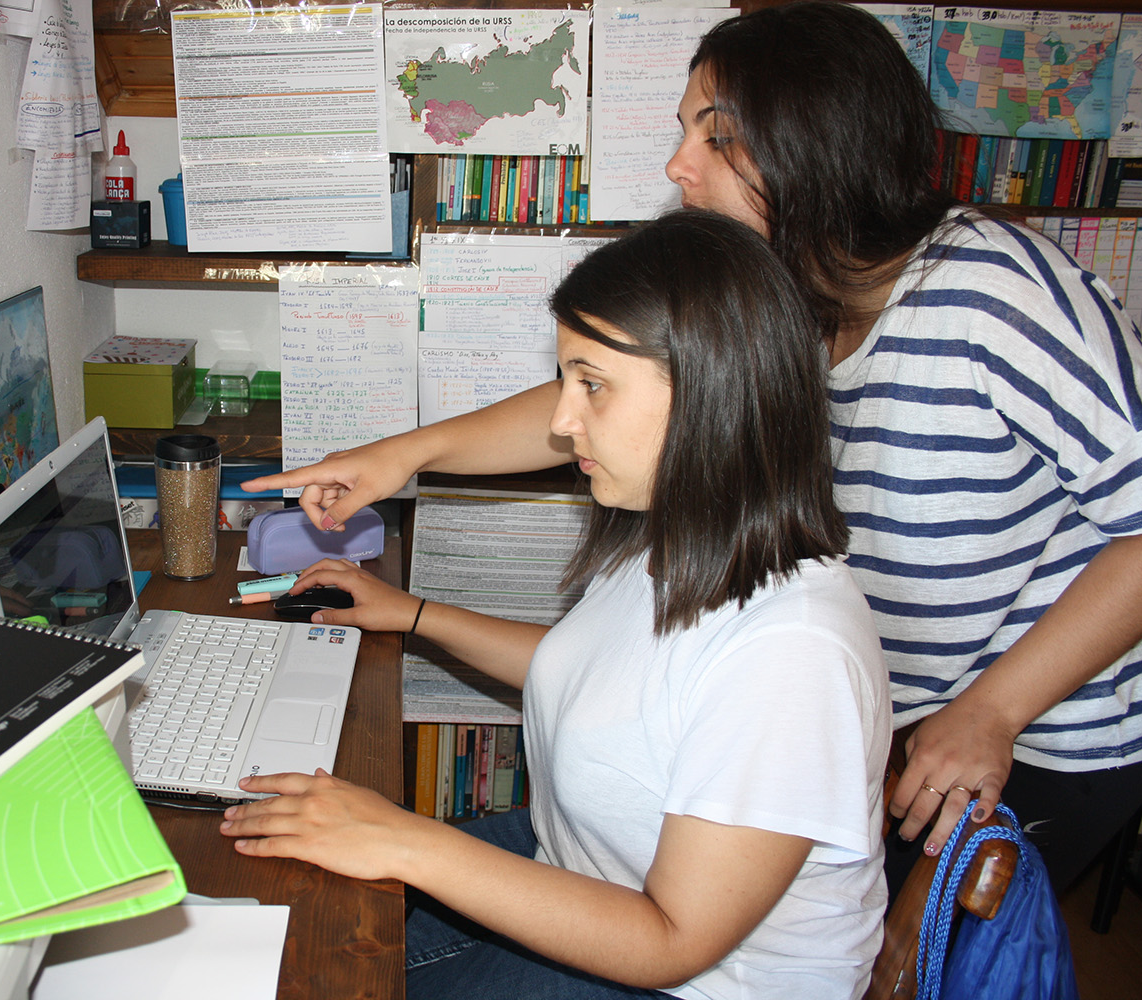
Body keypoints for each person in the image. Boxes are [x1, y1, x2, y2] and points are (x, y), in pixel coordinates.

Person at [244, 0, 1142, 896]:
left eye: (716, 139)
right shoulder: (784, 292)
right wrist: (402, 454)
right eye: (685, 133)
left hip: (1041, 727)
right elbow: (604, 395)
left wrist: (997, 709)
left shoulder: (993, 294)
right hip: (896, 712)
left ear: (819, 139)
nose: (679, 167)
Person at [223, 211, 891, 1000]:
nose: (559, 420)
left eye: (593, 385)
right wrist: (409, 613)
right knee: (301, 936)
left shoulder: (792, 654)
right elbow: (598, 682)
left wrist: (405, 841)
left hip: (677, 977)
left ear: (712, 392)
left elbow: (671, 941)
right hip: (581, 866)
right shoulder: (674, 533)